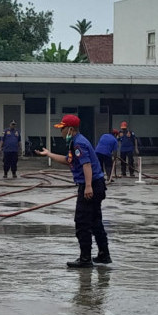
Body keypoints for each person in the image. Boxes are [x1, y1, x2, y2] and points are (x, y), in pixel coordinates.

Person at [35, 114, 111, 268]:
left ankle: (85, 259)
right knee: (95, 222)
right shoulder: (76, 142)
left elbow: (87, 165)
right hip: (96, 185)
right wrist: (49, 154)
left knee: (82, 222)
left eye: (62, 129)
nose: (61, 132)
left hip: (91, 186)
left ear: (70, 129)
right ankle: (104, 255)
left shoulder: (78, 144)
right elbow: (67, 160)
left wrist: (88, 186)